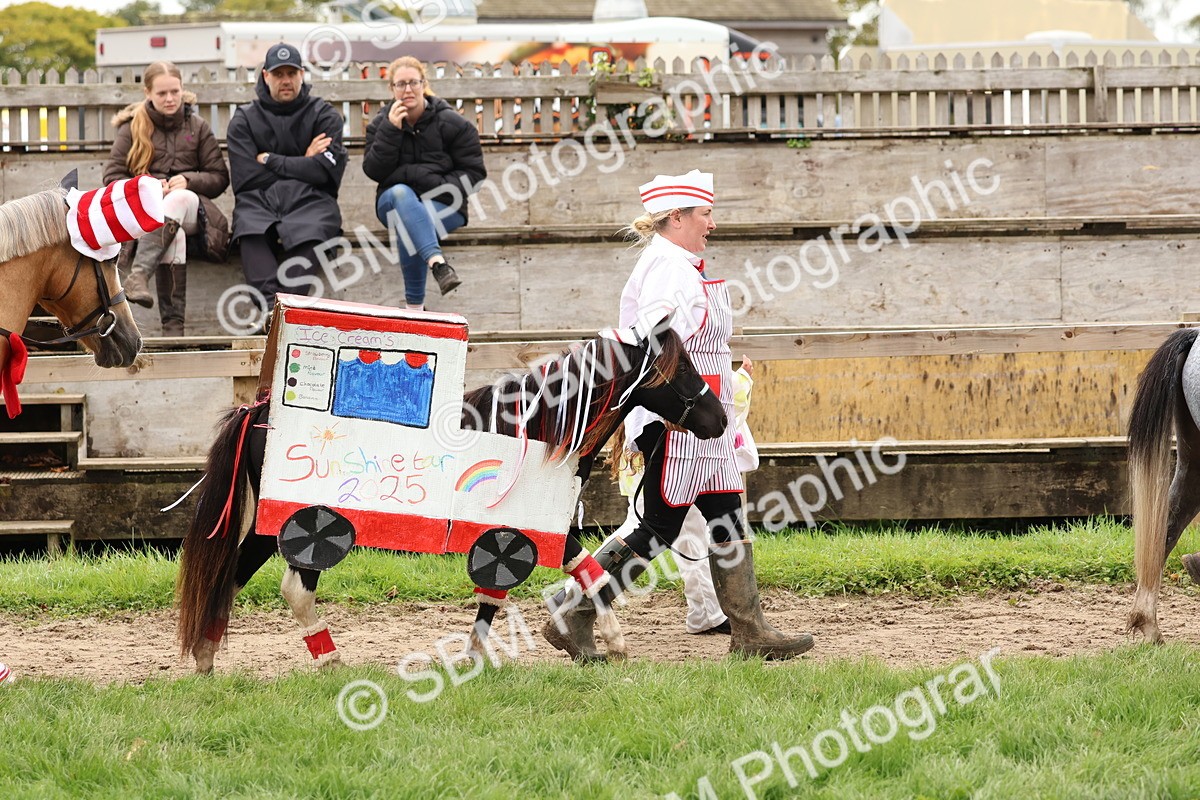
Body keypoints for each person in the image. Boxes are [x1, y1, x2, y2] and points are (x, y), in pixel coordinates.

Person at [544, 170, 813, 661]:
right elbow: (652, 347)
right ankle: (574, 612)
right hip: (684, 424)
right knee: (656, 529)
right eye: (704, 214)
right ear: (677, 218)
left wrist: (724, 373)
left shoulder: (679, 264)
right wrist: (672, 411)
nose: (711, 223)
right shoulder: (668, 268)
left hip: (708, 422)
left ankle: (750, 630)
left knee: (728, 516)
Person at [608, 357, 760, 636]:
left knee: (687, 537)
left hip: (671, 444)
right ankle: (577, 595)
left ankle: (706, 612)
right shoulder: (686, 354)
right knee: (647, 530)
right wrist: (744, 379)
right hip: (680, 445)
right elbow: (725, 395)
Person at [104, 61, 230, 336]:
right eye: (162, 93)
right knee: (176, 237)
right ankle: (173, 329)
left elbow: (220, 177)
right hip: (151, 218)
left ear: (182, 89)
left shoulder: (197, 126)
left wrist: (190, 180)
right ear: (148, 92)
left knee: (179, 198)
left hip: (195, 214)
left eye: (175, 91)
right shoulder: (132, 128)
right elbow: (111, 178)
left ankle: (139, 275)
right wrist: (148, 188)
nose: (171, 98)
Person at [226, 42, 347, 326]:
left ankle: (284, 312)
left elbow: (327, 173)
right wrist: (304, 161)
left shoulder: (324, 114)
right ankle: (272, 308)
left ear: (302, 74)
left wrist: (270, 160)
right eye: (278, 74)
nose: (286, 80)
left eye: (291, 73)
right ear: (265, 75)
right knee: (248, 226)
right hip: (260, 200)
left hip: (310, 200)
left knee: (316, 227)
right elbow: (246, 178)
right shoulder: (244, 118)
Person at [362, 56, 486, 309]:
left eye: (413, 83)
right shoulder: (380, 125)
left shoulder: (452, 123)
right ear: (392, 89)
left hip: (443, 204)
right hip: (392, 201)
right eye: (400, 84)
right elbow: (374, 170)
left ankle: (414, 310)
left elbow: (474, 173)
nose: (407, 90)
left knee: (411, 223)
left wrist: (438, 185)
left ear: (424, 84)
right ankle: (439, 264)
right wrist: (390, 132)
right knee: (401, 193)